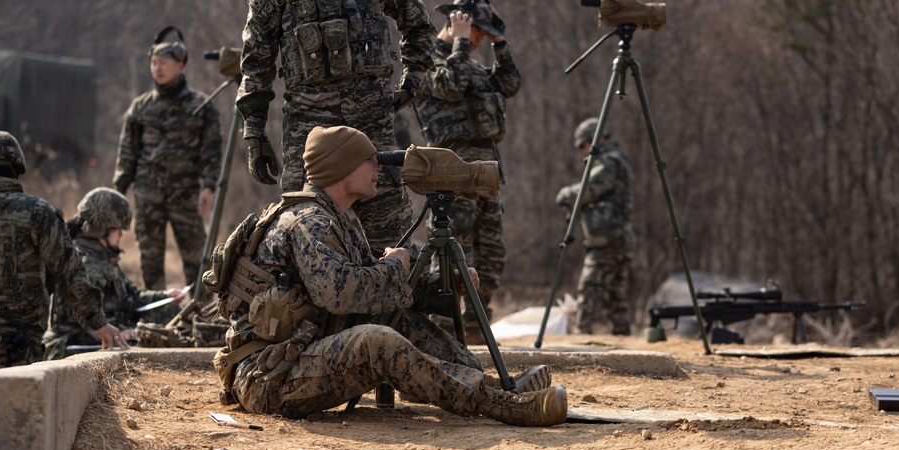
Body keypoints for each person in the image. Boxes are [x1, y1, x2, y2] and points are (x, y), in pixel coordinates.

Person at [216, 125, 566, 427]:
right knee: (375, 340)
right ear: (343, 167)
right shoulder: (310, 223)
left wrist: (440, 285)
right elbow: (342, 295)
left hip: (297, 355)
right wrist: (395, 266)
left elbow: (377, 290)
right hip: (269, 376)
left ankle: (490, 387)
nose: (378, 168)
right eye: (369, 160)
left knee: (401, 320)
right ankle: (498, 405)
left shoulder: (339, 218)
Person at [236, 0, 437, 256]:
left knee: (391, 244)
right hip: (308, 140)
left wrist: (413, 82)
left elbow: (420, 27)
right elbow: (256, 62)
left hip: (373, 131)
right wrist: (255, 135)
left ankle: (390, 313)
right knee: (303, 242)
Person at [0, 131, 127, 415]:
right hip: (14, 351)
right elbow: (69, 273)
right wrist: (99, 323)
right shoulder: (38, 212)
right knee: (15, 430)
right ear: (16, 169)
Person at [413, 0, 521, 341]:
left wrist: (500, 45)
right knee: (452, 253)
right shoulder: (427, 59)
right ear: (459, 23)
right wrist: (459, 43)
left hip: (485, 171)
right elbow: (449, 85)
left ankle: (475, 328)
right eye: (477, 33)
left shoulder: (472, 63)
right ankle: (444, 331)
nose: (478, 41)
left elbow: (509, 85)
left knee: (491, 255)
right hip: (452, 171)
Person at [114, 27, 223, 289]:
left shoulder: (201, 107)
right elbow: (127, 153)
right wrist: (117, 192)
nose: (157, 68)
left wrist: (208, 186)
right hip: (148, 196)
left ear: (180, 64)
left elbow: (211, 152)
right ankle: (157, 313)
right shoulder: (140, 107)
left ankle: (199, 314)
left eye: (163, 63)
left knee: (197, 259)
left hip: (185, 196)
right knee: (150, 261)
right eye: (153, 63)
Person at [44, 187, 186, 359]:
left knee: (173, 314)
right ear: (101, 229)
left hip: (98, 339)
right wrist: (130, 332)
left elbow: (133, 297)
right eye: (116, 229)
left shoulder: (104, 258)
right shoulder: (81, 262)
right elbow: (91, 322)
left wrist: (164, 297)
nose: (121, 234)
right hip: (72, 346)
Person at [556, 119, 637, 336]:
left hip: (609, 239)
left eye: (584, 144)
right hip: (617, 238)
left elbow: (588, 190)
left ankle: (582, 337)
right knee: (615, 295)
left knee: (590, 288)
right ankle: (622, 337)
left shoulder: (609, 163)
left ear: (596, 139)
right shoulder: (615, 161)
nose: (584, 150)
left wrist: (565, 194)